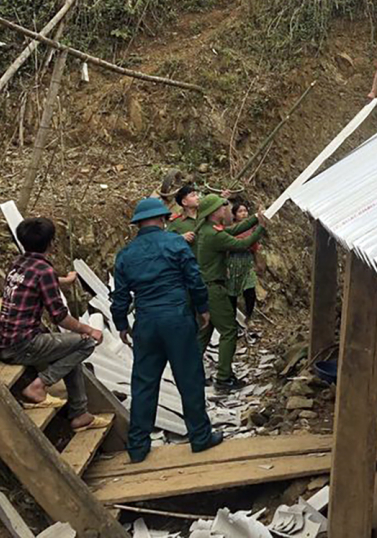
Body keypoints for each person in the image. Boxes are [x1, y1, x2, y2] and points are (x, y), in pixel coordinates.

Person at [111, 198, 222, 463]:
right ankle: (200, 437)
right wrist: (203, 308)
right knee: (189, 378)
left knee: (144, 383)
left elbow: (120, 295)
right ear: (162, 220)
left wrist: (121, 324)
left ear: (138, 224)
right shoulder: (175, 243)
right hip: (177, 318)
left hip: (146, 322)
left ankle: (137, 447)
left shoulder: (125, 254)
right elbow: (194, 279)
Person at [0, 218, 107, 431]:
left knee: (68, 350)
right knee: (85, 343)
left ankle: (79, 414)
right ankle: (38, 386)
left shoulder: (19, 263)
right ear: (51, 243)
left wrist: (63, 281)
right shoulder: (44, 271)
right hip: (22, 346)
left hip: (6, 340)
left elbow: (38, 279)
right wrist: (89, 329)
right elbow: (60, 317)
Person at [196, 194, 266, 391]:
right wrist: (261, 227)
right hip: (213, 288)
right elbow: (242, 244)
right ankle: (224, 377)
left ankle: (191, 371)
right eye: (222, 207)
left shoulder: (208, 230)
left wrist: (255, 218)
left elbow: (234, 229)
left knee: (205, 332)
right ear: (214, 213)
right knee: (229, 331)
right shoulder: (213, 235)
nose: (226, 210)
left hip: (206, 286)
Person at [227, 201, 262, 345]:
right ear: (234, 215)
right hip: (233, 262)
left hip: (247, 262)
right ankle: (232, 321)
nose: (244, 214)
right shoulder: (229, 229)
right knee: (233, 293)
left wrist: (258, 261)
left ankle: (249, 316)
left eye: (245, 211)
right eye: (240, 211)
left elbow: (255, 246)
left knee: (250, 290)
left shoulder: (252, 229)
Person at [167, 184, 201, 251]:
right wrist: (181, 237)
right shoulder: (176, 222)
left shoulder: (206, 214)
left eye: (197, 195)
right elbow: (167, 242)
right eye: (193, 195)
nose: (197, 197)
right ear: (184, 202)